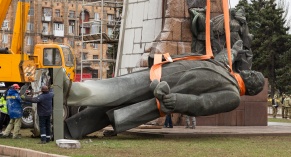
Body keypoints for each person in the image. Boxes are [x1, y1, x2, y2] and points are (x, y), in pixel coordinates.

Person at [62, 43, 265, 139]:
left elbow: (202, 104)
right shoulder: (225, 69)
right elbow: (223, 56)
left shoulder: (232, 96)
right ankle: (72, 115)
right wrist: (236, 47)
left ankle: (73, 104)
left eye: (252, 75)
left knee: (119, 97)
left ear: (251, 85)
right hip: (164, 74)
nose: (249, 72)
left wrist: (173, 100)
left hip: (165, 93)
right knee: (121, 88)